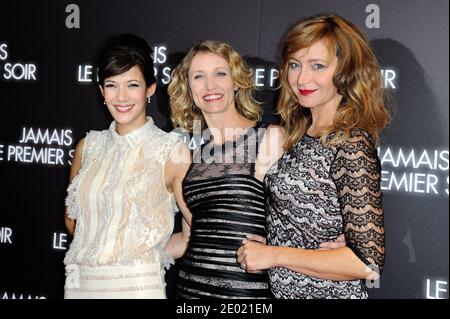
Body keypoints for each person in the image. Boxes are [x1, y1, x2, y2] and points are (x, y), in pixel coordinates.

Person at [165, 40, 345, 299]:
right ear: (188, 87)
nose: (210, 86)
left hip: (246, 293)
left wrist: (340, 242)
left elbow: (316, 212)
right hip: (190, 292)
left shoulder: (271, 139)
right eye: (198, 77)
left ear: (236, 81)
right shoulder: (193, 155)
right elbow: (187, 237)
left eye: (220, 73)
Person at [237, 14, 390, 299]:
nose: (302, 78)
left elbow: (367, 263)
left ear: (345, 72)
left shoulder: (350, 142)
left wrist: (274, 255)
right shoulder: (300, 131)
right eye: (295, 65)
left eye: (317, 66)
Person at [63, 33, 190, 299]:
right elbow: (73, 222)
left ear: (150, 89)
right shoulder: (88, 147)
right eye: (111, 85)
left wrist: (146, 253)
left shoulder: (171, 151)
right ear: (101, 91)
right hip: (80, 285)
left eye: (132, 84)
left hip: (137, 287)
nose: (121, 97)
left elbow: (192, 235)